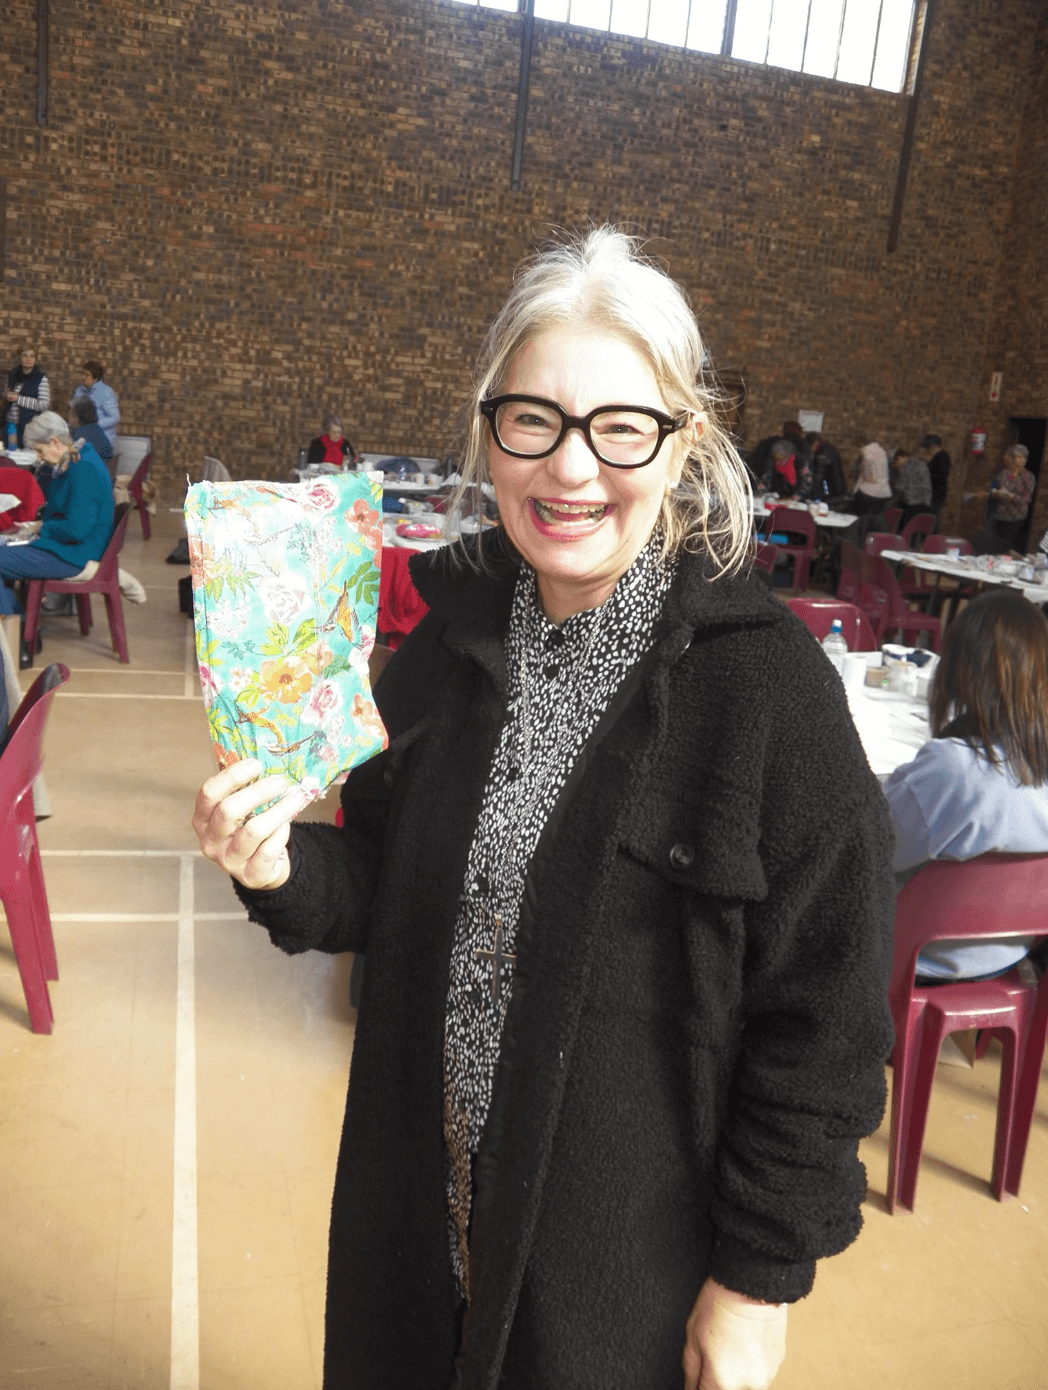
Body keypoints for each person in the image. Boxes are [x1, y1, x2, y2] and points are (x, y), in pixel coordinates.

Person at [192, 228, 896, 1390]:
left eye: (620, 427)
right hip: (417, 1218)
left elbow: (825, 1024)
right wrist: (274, 863)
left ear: (683, 443)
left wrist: (758, 1281)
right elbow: (376, 881)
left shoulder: (765, 695)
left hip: (613, 1273)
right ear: (491, 433)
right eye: (534, 420)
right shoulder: (448, 641)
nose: (570, 469)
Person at [883, 590, 1048, 981]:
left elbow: (871, 846)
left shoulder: (953, 769)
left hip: (907, 958)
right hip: (1006, 958)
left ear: (959, 667)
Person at [0, 412, 114, 623]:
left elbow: (76, 529)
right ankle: (14, 621)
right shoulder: (78, 459)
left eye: (39, 450)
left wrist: (40, 528)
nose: (39, 458)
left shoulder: (84, 469)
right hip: (69, 548)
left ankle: (14, 624)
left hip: (75, 555)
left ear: (54, 442)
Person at [980, 443, 1036, 553]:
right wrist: (994, 493)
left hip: (1016, 517)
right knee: (993, 545)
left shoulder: (1028, 477)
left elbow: (1026, 499)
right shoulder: (1004, 473)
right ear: (1012, 459)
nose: (1021, 460)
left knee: (1006, 547)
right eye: (1018, 457)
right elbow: (995, 488)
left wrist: (1012, 496)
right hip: (1000, 515)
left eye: (1023, 458)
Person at [6, 345, 51, 447]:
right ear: (19, 357)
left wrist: (18, 399)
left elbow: (44, 404)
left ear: (35, 358)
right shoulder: (13, 375)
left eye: (32, 356)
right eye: (25, 355)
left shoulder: (40, 378)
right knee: (10, 454)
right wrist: (7, 396)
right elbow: (8, 395)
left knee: (26, 455)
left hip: (30, 427)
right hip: (11, 425)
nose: (28, 359)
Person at [70, 359, 120, 447]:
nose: (83, 377)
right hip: (82, 437)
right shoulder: (79, 390)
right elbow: (74, 412)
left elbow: (115, 417)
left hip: (102, 439)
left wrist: (93, 426)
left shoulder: (105, 392)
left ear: (95, 377)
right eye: (82, 374)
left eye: (87, 375)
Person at [68, 396, 115, 475]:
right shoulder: (97, 429)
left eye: (70, 411)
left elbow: (69, 464)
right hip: (101, 475)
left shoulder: (78, 436)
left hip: (87, 476)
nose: (68, 414)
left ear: (77, 415)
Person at [758, 436, 813, 501]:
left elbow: (806, 484)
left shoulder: (801, 461)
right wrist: (761, 492)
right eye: (776, 460)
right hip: (778, 497)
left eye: (782, 460)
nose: (778, 463)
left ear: (790, 456)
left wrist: (794, 498)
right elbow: (766, 478)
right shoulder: (772, 461)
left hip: (800, 500)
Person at [890, 447, 932, 529]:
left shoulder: (906, 467)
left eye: (895, 461)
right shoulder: (922, 464)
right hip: (925, 507)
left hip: (910, 507)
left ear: (899, 458)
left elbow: (899, 488)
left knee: (903, 530)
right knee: (916, 531)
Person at [851, 437, 893, 517]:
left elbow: (867, 473)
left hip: (870, 492)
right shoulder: (881, 450)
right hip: (885, 493)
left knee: (862, 517)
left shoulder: (866, 450)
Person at [920, 433, 950, 516]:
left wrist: (924, 471)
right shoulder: (938, 456)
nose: (927, 451)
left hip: (936, 495)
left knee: (931, 517)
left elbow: (940, 477)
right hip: (933, 494)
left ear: (933, 446)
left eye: (928, 448)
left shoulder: (942, 457)